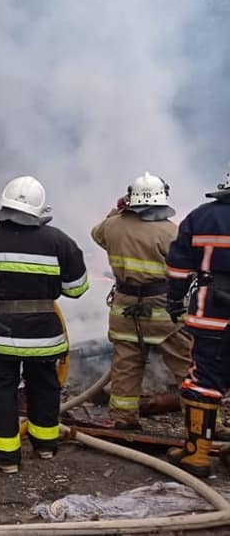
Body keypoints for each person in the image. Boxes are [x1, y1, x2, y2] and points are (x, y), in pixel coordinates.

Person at [0, 176, 89, 473]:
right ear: (39, 210)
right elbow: (77, 288)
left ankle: (6, 459)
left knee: (1, 389)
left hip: (0, 334)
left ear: (5, 205)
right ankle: (45, 447)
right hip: (43, 335)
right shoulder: (59, 241)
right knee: (44, 385)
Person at [91, 172, 190, 430]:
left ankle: (123, 419)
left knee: (125, 367)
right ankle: (202, 423)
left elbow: (97, 234)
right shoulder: (171, 231)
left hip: (124, 309)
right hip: (163, 310)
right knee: (185, 366)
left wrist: (117, 210)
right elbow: (186, 266)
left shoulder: (112, 226)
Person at [165, 168, 230, 477]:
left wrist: (174, 300)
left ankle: (197, 455)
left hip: (211, 314)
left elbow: (178, 268)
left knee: (204, 379)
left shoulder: (202, 216)